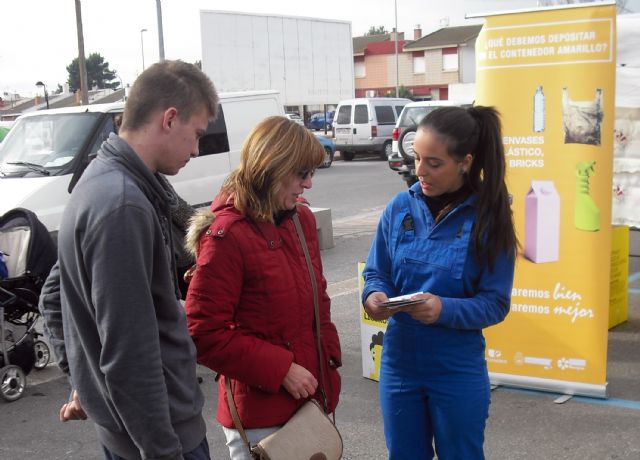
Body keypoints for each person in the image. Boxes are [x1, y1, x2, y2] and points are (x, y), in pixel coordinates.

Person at [50, 59, 218, 460]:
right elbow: (131, 355)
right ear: (169, 118)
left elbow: (54, 297)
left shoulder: (100, 183)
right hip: (162, 441)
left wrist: (85, 380)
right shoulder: (123, 206)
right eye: (196, 134)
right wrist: (163, 451)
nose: (196, 150)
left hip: (133, 436)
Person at [362, 106, 517, 460]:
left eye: (434, 163)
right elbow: (376, 271)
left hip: (456, 367)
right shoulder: (399, 207)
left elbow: (495, 303)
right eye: (416, 158)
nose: (420, 171)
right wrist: (375, 295)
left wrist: (443, 309)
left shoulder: (489, 218)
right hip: (400, 361)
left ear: (464, 162)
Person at [184, 116, 342, 460]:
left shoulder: (301, 220)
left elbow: (319, 299)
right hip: (261, 416)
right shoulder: (227, 236)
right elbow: (203, 333)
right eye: (302, 173)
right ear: (273, 167)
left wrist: (328, 359)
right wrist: (281, 369)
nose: (309, 183)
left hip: (310, 400)